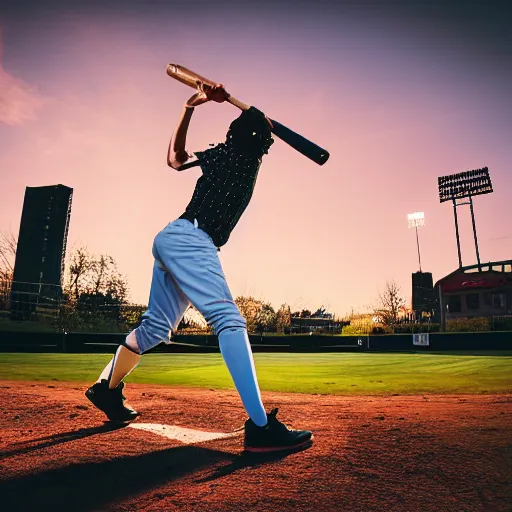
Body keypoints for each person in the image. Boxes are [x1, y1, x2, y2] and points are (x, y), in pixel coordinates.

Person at [85, 82, 313, 453]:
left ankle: (105, 389)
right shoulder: (241, 155)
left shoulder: (229, 152)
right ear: (261, 143)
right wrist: (230, 112)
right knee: (229, 319)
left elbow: (175, 159)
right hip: (192, 239)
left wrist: (192, 107)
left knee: (156, 327)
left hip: (176, 237)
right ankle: (260, 427)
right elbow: (209, 151)